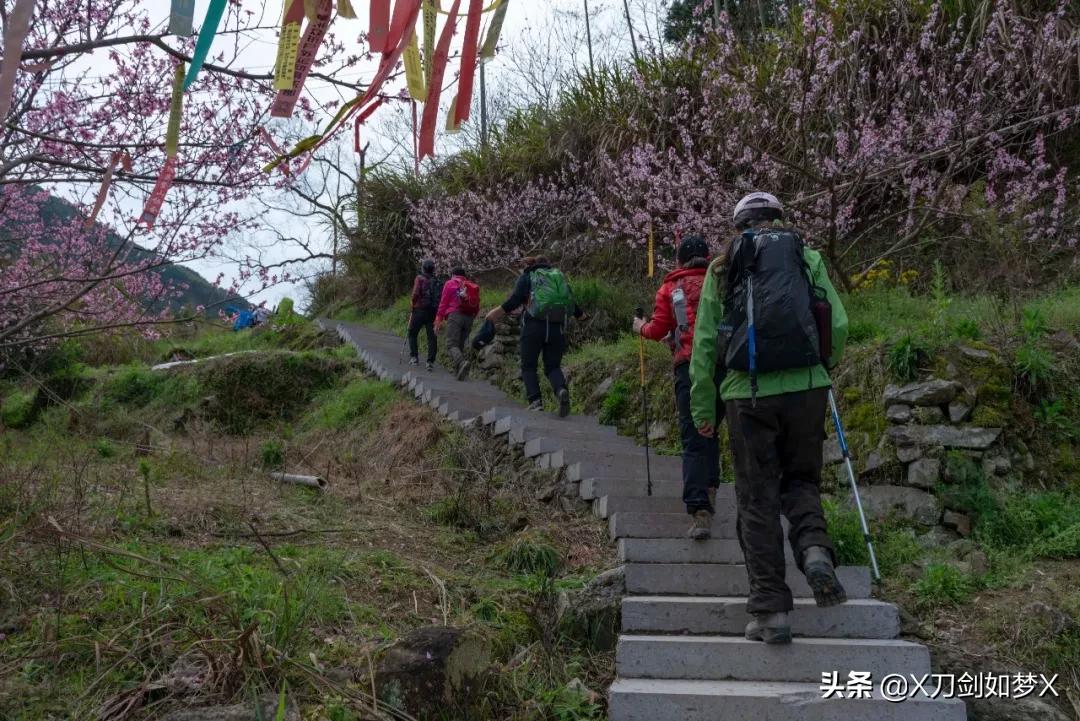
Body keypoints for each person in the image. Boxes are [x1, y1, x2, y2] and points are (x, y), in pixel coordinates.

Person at [689, 192, 850, 645]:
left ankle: (771, 612)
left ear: (738, 226)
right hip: (808, 389)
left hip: (748, 396)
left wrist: (704, 410)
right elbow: (836, 324)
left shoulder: (723, 269)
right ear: (780, 220)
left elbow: (705, 347)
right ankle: (815, 549)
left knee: (756, 499)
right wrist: (823, 365)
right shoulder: (807, 256)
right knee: (800, 482)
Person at [633, 235, 723, 541]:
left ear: (680, 261)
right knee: (714, 429)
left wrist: (640, 327)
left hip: (689, 366)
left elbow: (657, 329)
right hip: (725, 366)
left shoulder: (672, 287)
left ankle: (699, 509)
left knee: (694, 434)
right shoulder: (722, 280)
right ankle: (711, 488)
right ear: (709, 256)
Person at [485, 255, 583, 416]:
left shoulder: (528, 276)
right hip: (556, 328)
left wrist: (497, 312)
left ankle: (535, 402)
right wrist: (581, 315)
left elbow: (515, 299)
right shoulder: (558, 277)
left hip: (533, 327)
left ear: (534, 265)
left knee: (528, 365)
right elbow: (571, 302)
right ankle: (561, 391)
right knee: (553, 366)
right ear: (549, 265)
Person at [435, 267, 481, 381]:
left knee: (451, 344)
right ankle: (459, 374)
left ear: (453, 275)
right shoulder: (470, 285)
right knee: (459, 345)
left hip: (455, 315)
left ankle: (461, 362)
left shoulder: (450, 283)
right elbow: (476, 304)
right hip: (469, 317)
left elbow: (443, 303)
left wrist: (438, 320)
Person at [408, 259, 441, 370]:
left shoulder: (420, 278)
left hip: (419, 310)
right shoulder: (437, 281)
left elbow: (415, 293)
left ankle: (414, 357)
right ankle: (430, 362)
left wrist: (412, 303)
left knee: (412, 333)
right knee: (432, 337)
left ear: (423, 268)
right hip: (432, 311)